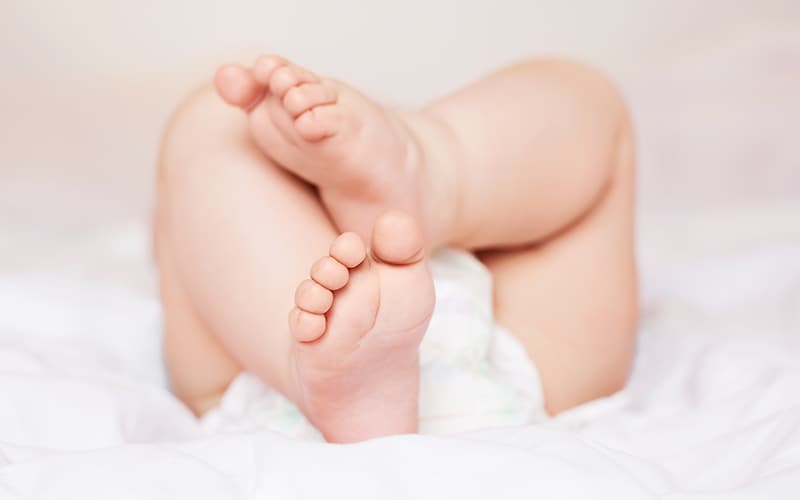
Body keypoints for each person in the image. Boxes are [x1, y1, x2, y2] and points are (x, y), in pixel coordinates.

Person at [155, 54, 638, 443]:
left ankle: (314, 373)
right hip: (519, 373)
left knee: (216, 122)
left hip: (265, 384)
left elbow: (200, 238)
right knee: (588, 101)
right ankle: (436, 167)